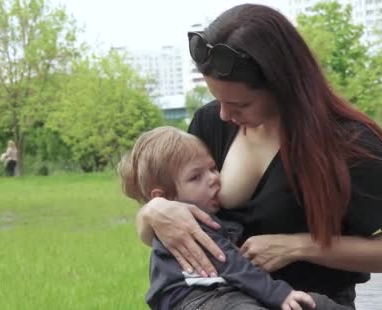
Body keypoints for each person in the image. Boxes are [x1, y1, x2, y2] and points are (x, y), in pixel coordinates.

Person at [135, 4, 382, 309]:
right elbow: (158, 232)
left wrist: (300, 246)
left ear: (282, 86)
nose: (224, 113)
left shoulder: (347, 145)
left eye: (240, 104)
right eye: (217, 99)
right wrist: (154, 212)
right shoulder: (211, 126)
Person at [119, 126, 350, 310]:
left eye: (212, 168)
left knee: (314, 303)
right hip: (194, 299)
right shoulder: (189, 224)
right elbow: (231, 263)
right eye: (196, 177)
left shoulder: (209, 216)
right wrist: (278, 293)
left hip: (229, 294)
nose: (213, 179)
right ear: (164, 197)